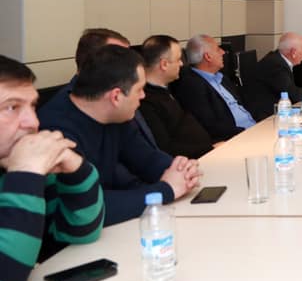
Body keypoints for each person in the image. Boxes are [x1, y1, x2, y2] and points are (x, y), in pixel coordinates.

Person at [38, 45, 201, 226]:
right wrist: (166, 190)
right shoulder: (57, 133)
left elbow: (146, 158)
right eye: (139, 89)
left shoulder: (116, 114)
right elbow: (87, 206)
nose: (143, 96)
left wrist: (182, 171)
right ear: (116, 97)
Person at [0, 55, 104, 281]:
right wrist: (25, 175)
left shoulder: (17, 165)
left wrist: (76, 170)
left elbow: (79, 234)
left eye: (32, 106)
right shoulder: (24, 170)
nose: (33, 122)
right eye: (11, 107)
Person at [139, 35, 215, 159]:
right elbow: (166, 148)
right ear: (164, 64)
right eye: (178, 59)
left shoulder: (167, 89)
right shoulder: (146, 101)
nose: (181, 64)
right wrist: (209, 149)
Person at [172, 35, 258, 134]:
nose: (223, 52)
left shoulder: (222, 78)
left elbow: (243, 104)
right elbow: (210, 125)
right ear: (208, 57)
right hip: (237, 135)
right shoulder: (192, 86)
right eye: (218, 49)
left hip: (254, 128)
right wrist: (245, 132)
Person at [244, 32, 302, 118]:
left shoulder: (279, 60)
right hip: (261, 116)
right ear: (293, 52)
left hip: (274, 110)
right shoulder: (276, 65)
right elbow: (294, 95)